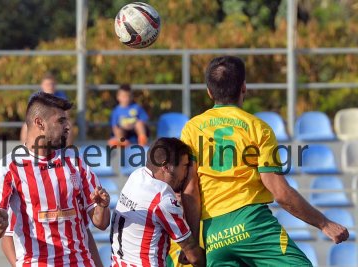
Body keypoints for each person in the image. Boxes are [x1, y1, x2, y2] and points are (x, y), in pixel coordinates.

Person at [180, 56, 349, 266]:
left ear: (209, 91)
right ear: (243, 88)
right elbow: (280, 192)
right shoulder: (258, 128)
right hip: (252, 224)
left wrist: (193, 243)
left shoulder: (192, 129)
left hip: (213, 233)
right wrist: (324, 223)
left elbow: (189, 192)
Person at [0, 92, 111, 266]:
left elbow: (100, 223)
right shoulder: (8, 168)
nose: (67, 126)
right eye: (60, 121)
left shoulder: (75, 162)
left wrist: (103, 206)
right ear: (39, 123)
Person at [110, 137, 205, 266]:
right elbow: (193, 256)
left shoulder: (136, 176)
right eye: (185, 166)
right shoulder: (162, 199)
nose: (186, 173)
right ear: (166, 167)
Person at [20, 73, 73, 144]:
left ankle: (66, 150)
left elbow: (66, 113)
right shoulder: (36, 96)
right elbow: (30, 113)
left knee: (68, 125)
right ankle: (26, 148)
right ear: (42, 85)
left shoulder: (60, 95)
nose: (50, 87)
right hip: (41, 120)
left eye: (52, 84)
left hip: (56, 120)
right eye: (47, 84)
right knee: (25, 126)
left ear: (55, 85)